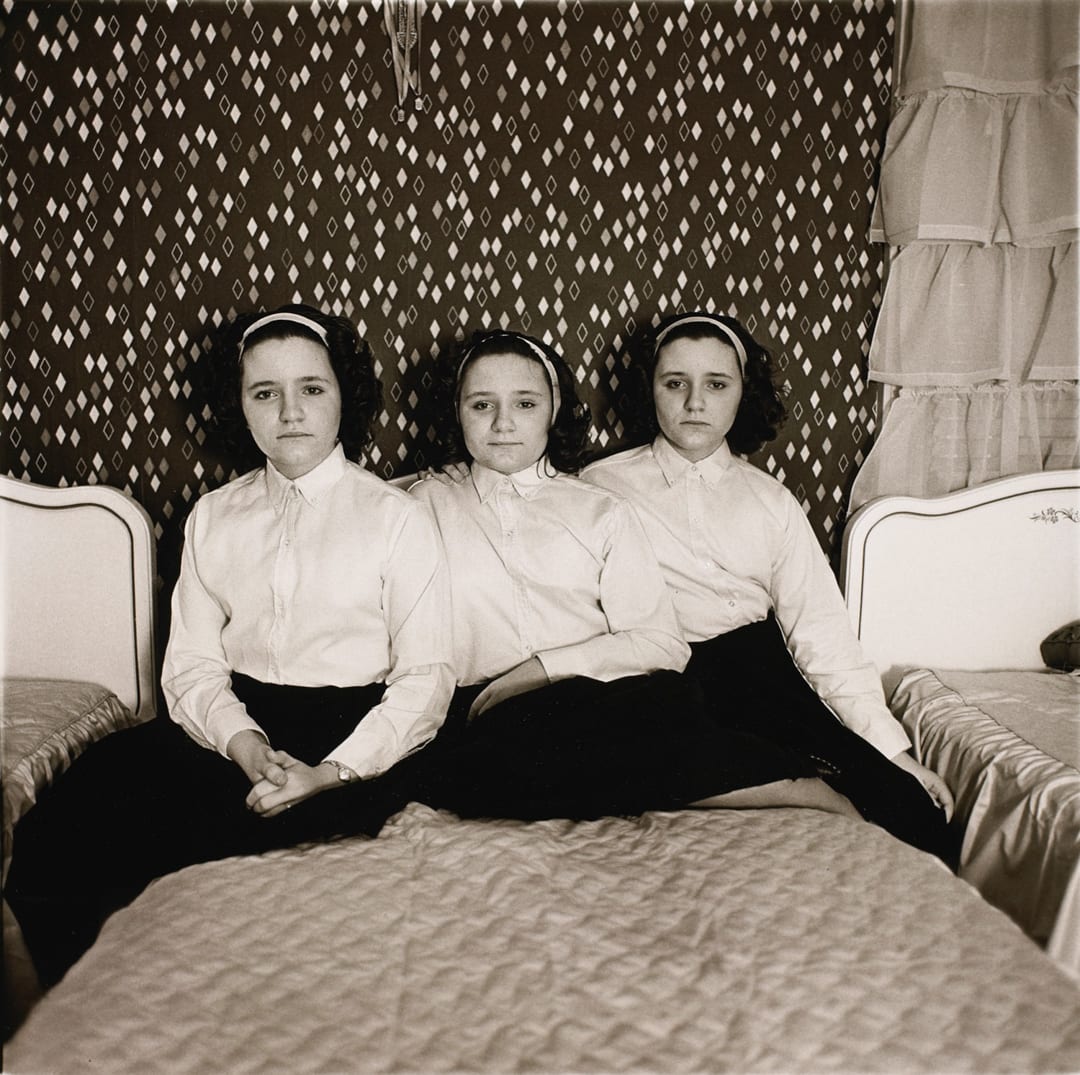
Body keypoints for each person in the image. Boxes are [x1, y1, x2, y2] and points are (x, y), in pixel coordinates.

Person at [6, 303, 455, 986]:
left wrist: (326, 773)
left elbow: (426, 678)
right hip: (234, 729)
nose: (290, 411)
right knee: (61, 826)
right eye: (264, 392)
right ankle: (77, 1007)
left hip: (351, 736)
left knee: (261, 871)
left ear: (345, 396)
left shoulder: (397, 517)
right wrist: (244, 746)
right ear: (237, 407)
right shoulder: (216, 514)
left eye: (312, 388)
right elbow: (190, 666)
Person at [404, 328, 849, 822]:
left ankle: (795, 784)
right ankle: (767, 779)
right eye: (481, 405)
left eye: (526, 404)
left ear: (553, 409)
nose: (504, 424)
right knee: (479, 769)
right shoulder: (420, 506)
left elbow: (663, 643)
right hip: (485, 717)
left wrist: (537, 671)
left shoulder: (601, 508)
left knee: (630, 717)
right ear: (457, 412)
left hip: (600, 699)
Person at [581, 310, 956, 860]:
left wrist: (894, 753)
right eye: (674, 383)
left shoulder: (769, 500)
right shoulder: (600, 486)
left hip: (755, 675)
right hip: (655, 679)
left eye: (716, 384)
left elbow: (821, 635)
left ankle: (798, 783)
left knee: (911, 813)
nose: (695, 402)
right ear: (649, 390)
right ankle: (785, 788)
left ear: (741, 393)